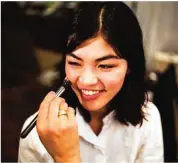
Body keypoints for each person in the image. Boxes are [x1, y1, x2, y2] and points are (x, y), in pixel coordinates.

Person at [18, 2, 164, 162]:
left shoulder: (148, 118)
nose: (86, 80)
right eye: (74, 63)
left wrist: (67, 157)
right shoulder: (37, 134)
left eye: (105, 66)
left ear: (130, 66)